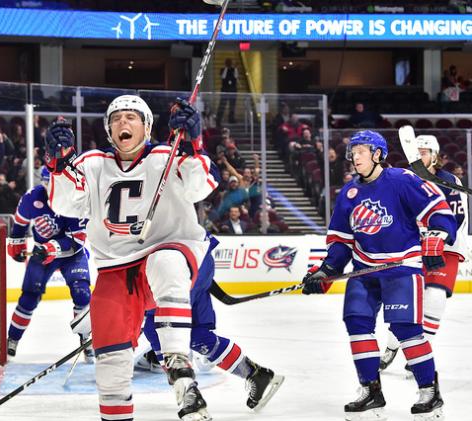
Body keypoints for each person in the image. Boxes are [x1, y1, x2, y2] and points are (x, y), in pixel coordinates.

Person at [46, 95, 218, 421]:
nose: (123, 123)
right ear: (109, 129)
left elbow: (201, 186)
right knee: (110, 362)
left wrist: (195, 143)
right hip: (115, 266)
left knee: (163, 264)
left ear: (147, 125)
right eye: (116, 119)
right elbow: (66, 204)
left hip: (171, 249)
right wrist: (57, 164)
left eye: (132, 117)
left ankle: (180, 369)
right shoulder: (92, 162)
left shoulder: (168, 155)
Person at [301, 130, 457, 420]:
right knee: (356, 323)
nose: (354, 156)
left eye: (361, 151)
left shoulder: (401, 179)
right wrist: (326, 270)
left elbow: (438, 209)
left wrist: (436, 236)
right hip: (364, 269)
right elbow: (340, 241)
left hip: (401, 267)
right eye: (353, 151)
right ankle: (371, 391)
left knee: (405, 329)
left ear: (377, 154)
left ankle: (429, 393)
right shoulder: (350, 193)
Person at [142, 234, 284, 411]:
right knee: (195, 333)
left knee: (157, 327)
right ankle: (255, 374)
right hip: (197, 257)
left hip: (173, 260)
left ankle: (189, 394)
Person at [380, 135, 468, 371]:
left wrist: (437, 238)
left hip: (445, 249)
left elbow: (457, 217)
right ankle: (392, 344)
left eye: (425, 152)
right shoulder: (404, 181)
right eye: (416, 152)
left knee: (435, 298)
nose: (420, 156)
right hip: (413, 249)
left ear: (435, 155)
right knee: (404, 302)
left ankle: (420, 353)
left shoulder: (450, 181)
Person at [6, 167, 92, 359]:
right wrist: (16, 243)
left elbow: (76, 241)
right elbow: (20, 224)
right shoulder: (32, 197)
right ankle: (13, 338)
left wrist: (51, 247)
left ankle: (86, 338)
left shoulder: (76, 200)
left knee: (82, 293)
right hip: (42, 251)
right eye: (47, 184)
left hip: (71, 253)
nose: (51, 188)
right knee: (29, 296)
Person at [216, 58, 238, 125]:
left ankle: (231, 119)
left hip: (233, 90)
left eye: (229, 62)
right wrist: (226, 68)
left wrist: (235, 68)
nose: (229, 64)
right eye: (227, 63)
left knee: (232, 106)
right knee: (222, 105)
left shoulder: (234, 69)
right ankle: (218, 120)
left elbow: (236, 76)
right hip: (225, 90)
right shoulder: (223, 69)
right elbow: (223, 77)